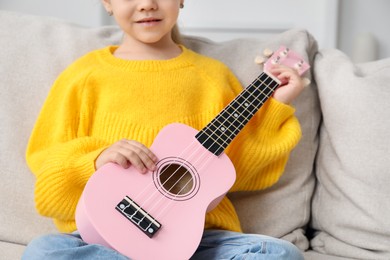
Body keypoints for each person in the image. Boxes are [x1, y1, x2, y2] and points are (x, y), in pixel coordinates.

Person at [22, 0, 305, 259]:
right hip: (103, 237)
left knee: (279, 253)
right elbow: (47, 164)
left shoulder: (213, 78)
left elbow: (236, 173)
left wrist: (276, 106)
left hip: (195, 240)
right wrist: (94, 161)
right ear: (107, 3)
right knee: (42, 251)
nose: (147, 4)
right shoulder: (83, 77)